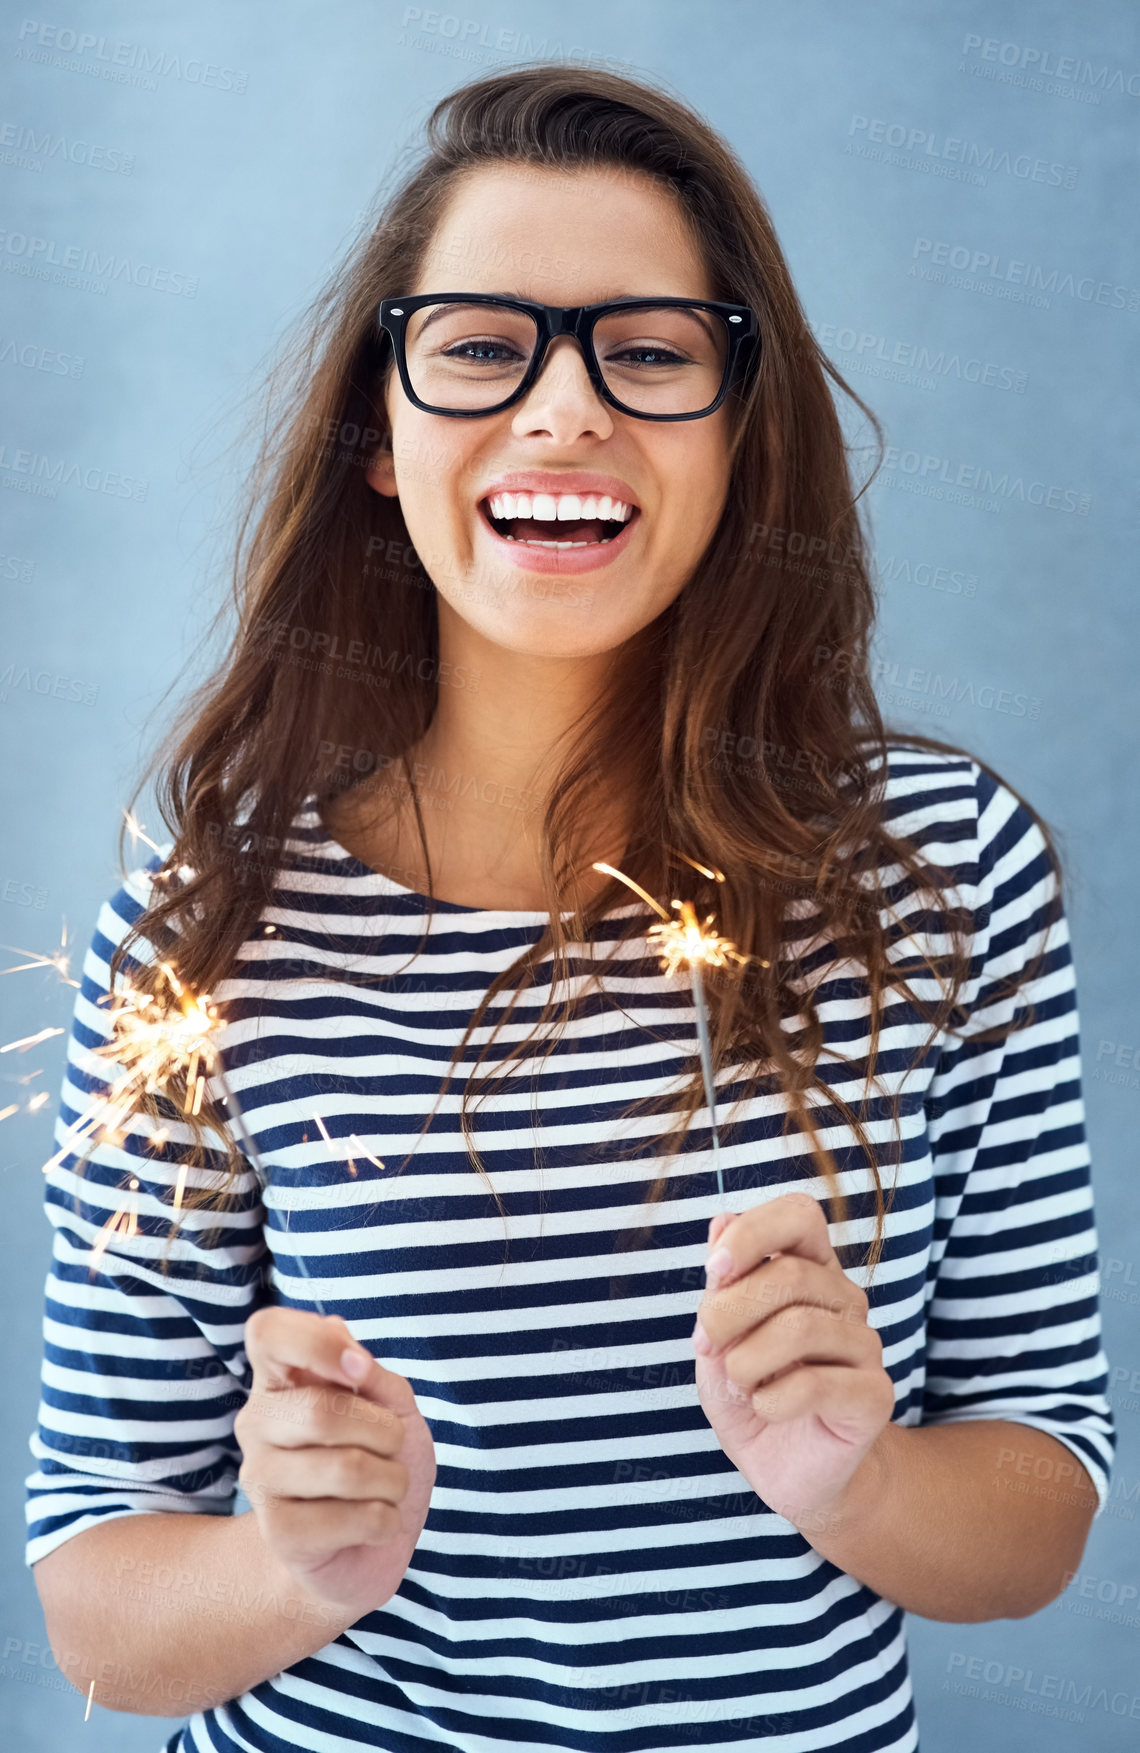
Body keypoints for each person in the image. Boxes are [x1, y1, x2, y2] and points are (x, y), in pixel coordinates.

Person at [25, 62, 1113, 1753]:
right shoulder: (205, 940)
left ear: (742, 439)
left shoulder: (941, 875)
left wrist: (863, 1475)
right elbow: (97, 1608)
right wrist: (293, 1567)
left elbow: (1041, 1510)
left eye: (651, 352)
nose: (563, 411)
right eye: (478, 346)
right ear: (375, 437)